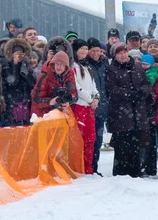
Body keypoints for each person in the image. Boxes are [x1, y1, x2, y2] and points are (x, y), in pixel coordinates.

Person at [106, 43, 152, 177]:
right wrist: (129, 94)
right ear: (115, 55)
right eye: (119, 52)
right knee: (121, 145)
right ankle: (120, 172)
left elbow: (147, 84)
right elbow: (112, 89)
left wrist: (142, 92)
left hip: (137, 113)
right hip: (120, 114)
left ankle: (135, 172)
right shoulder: (111, 69)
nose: (122, 55)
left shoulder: (137, 68)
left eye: (124, 52)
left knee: (136, 144)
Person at [71, 39, 100, 176]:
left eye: (85, 49)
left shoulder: (87, 67)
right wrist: (89, 98)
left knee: (90, 138)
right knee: (79, 138)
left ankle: (88, 167)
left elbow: (93, 85)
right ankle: (78, 168)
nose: (84, 51)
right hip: (80, 106)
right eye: (81, 49)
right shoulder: (73, 66)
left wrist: (96, 98)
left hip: (89, 108)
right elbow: (76, 86)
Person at [0, 38, 36, 126]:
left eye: (21, 53)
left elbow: (32, 83)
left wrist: (24, 67)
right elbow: (12, 82)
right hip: (12, 103)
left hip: (26, 102)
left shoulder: (26, 64)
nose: (19, 56)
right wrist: (15, 65)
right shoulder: (6, 65)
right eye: (16, 53)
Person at [31, 51, 77, 118]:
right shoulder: (44, 77)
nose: (58, 67)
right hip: (43, 116)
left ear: (66, 67)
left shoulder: (69, 76)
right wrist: (50, 101)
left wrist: (67, 102)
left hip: (60, 115)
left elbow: (74, 94)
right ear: (53, 65)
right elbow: (36, 99)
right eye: (57, 64)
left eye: (61, 64)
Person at [87, 37, 108, 175]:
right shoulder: (86, 65)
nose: (96, 53)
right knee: (90, 140)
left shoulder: (102, 64)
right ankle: (88, 167)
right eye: (93, 51)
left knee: (98, 140)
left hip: (101, 108)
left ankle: (95, 167)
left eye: (98, 51)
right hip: (89, 107)